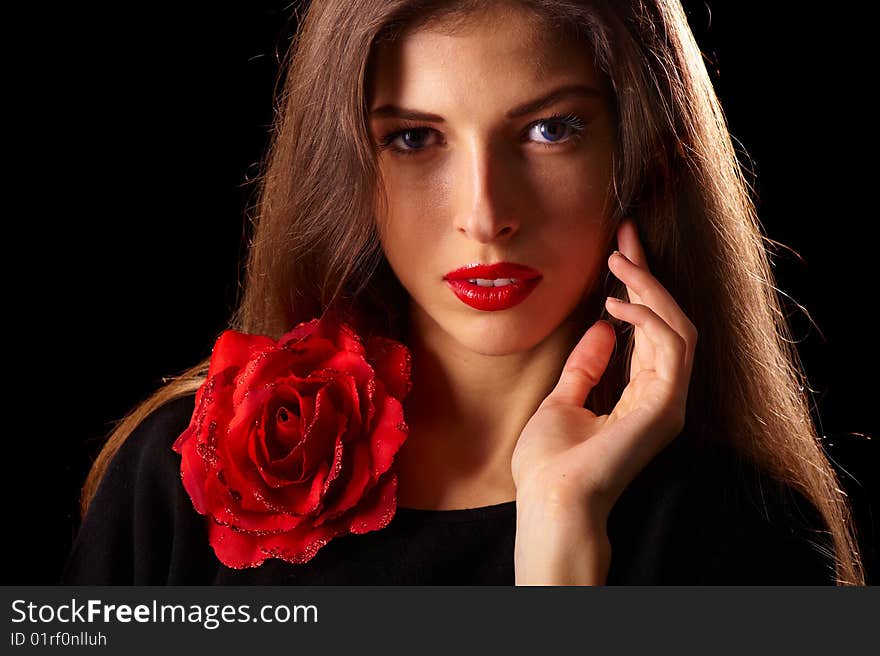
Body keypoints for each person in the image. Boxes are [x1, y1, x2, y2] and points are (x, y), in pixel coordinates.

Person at [62, 0, 866, 585]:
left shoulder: (752, 541)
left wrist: (561, 548)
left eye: (550, 129)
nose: (484, 217)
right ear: (349, 168)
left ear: (646, 157)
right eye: (414, 139)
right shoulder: (180, 474)